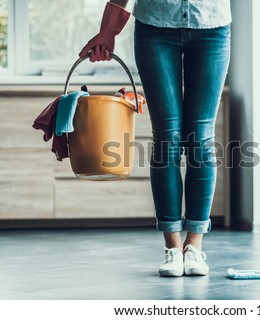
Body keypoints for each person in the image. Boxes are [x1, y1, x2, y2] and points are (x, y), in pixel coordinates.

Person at [79, 0, 231, 277]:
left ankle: (193, 246)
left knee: (200, 138)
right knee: (167, 136)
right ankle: (172, 247)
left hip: (212, 26)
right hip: (155, 28)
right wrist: (108, 30)